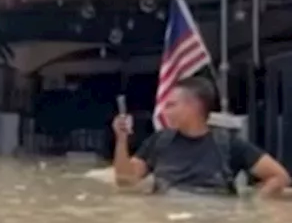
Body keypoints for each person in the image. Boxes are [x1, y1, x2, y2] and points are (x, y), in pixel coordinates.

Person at [112, 76, 290, 198]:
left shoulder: (229, 144)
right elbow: (125, 180)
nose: (165, 112)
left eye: (171, 105)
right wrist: (121, 140)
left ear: (193, 106)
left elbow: (279, 176)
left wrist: (252, 206)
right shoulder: (158, 141)